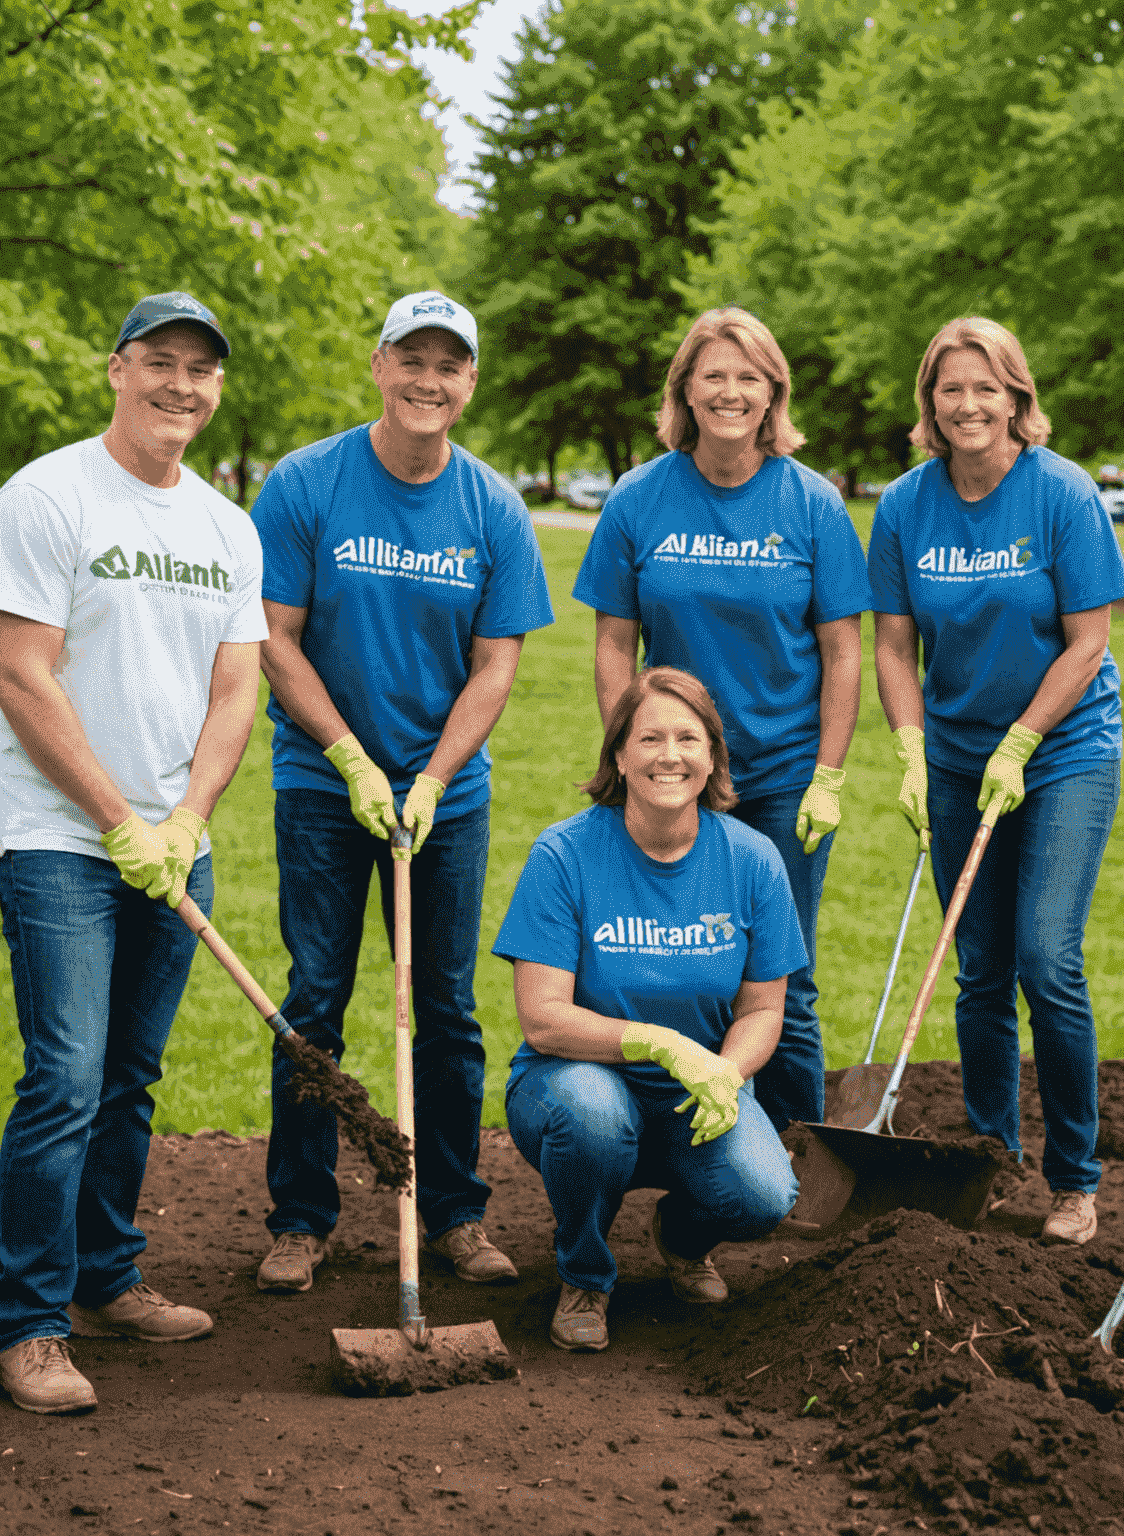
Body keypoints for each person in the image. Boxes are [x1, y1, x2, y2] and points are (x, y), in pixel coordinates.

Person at [249, 291, 554, 1295]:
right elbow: (275, 642)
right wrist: (350, 761)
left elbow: (495, 667)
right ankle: (302, 1217)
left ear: (471, 382)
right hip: (321, 783)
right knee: (317, 1000)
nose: (429, 380)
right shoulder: (305, 485)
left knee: (448, 1009)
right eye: (411, 359)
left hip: (444, 799)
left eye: (450, 365)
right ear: (379, 365)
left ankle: (456, 1214)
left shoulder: (493, 509)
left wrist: (429, 778)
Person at [0, 293, 265, 1415]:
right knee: (65, 1075)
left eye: (200, 371)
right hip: (60, 836)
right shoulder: (48, 494)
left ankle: (108, 1276)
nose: (182, 386)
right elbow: (22, 672)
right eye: (160, 362)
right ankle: (28, 1322)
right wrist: (117, 818)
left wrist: (188, 820)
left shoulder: (225, 526)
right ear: (116, 369)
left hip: (172, 841)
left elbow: (236, 684)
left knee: (131, 1078)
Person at [572, 306, 872, 1131]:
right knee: (667, 964)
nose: (731, 392)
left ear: (773, 392)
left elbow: (844, 652)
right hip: (675, 775)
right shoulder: (640, 496)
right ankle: (672, 1143)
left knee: (781, 978)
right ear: (686, 391)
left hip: (780, 776)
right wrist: (628, 754)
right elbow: (612, 640)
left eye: (749, 377)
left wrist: (829, 775)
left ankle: (791, 1162)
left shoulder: (812, 504)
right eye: (714, 376)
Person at [869, 316, 1124, 1246]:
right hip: (953, 753)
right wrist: (909, 747)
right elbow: (894, 643)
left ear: (1019, 399)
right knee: (976, 969)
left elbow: (1088, 640)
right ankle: (992, 1157)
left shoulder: (1062, 495)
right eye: (952, 390)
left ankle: (1075, 1178)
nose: (970, 405)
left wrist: (1022, 739)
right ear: (929, 405)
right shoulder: (904, 505)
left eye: (989, 388)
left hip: (1064, 750)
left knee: (1045, 957)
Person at [493, 667, 803, 1352]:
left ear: (714, 756)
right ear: (620, 756)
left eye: (689, 738)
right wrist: (661, 1043)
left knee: (765, 1196)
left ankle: (683, 1239)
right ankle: (585, 1276)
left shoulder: (753, 860)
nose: (671, 755)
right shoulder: (565, 855)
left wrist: (727, 1071)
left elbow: (763, 1008)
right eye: (651, 738)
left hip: (695, 1092)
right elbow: (543, 1018)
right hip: (572, 1078)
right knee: (594, 1116)